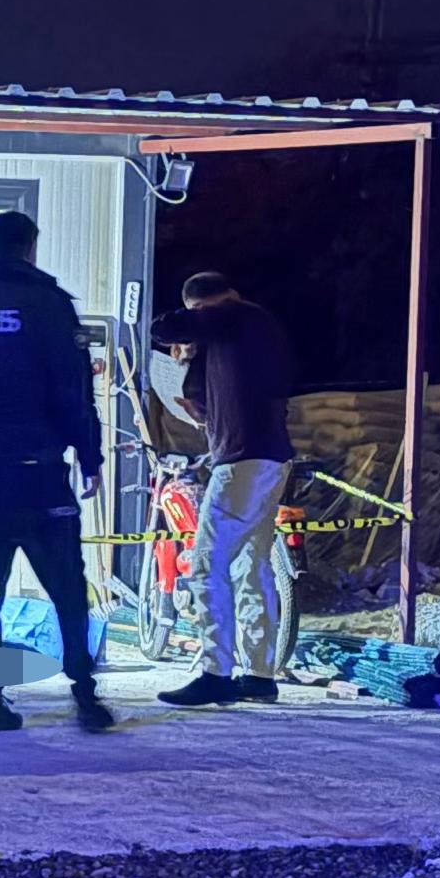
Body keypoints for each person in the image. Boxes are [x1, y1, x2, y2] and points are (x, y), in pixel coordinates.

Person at [0, 211, 116, 735]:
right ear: (30, 247)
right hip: (37, 470)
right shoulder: (48, 305)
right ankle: (84, 694)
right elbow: (73, 390)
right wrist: (90, 456)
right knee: (66, 585)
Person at [150, 272, 295, 707]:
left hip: (243, 463)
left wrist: (189, 329)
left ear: (203, 307)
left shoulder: (233, 315)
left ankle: (216, 672)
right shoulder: (250, 330)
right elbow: (216, 400)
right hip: (269, 458)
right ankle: (259, 674)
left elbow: (162, 327)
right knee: (251, 566)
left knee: (206, 564)